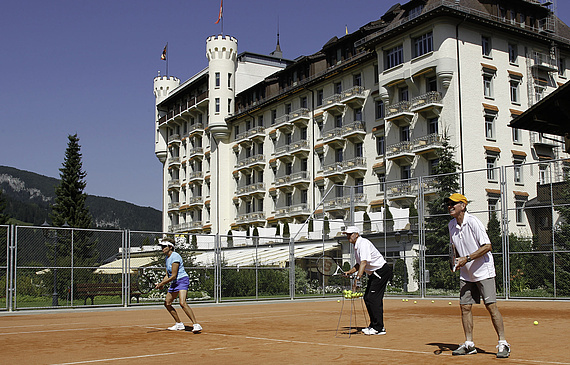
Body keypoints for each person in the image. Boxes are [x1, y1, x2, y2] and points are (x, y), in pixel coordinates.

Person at [446, 193, 510, 358]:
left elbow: (487, 246)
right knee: (465, 307)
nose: (450, 206)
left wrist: (466, 258)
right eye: (448, 204)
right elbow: (454, 247)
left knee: (491, 306)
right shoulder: (451, 225)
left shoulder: (473, 222)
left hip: (483, 271)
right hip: (466, 274)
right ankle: (469, 344)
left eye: (453, 203)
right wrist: (455, 261)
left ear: (463, 205)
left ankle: (503, 343)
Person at [343, 226, 393, 335]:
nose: (348, 236)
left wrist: (357, 278)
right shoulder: (357, 246)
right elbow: (358, 264)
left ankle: (379, 328)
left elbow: (364, 263)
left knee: (373, 299)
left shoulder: (363, 243)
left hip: (380, 272)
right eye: (347, 234)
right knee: (367, 298)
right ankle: (374, 325)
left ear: (356, 234)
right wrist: (349, 272)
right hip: (375, 273)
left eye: (350, 234)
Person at [155, 237, 202, 333]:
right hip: (174, 282)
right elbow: (167, 275)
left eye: (164, 246)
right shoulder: (167, 258)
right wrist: (161, 284)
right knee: (167, 303)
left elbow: (174, 275)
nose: (162, 248)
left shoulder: (175, 256)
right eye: (162, 247)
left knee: (182, 303)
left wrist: (162, 283)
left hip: (182, 280)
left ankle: (196, 324)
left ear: (170, 247)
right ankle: (179, 324)